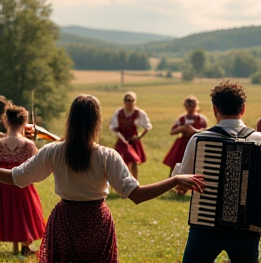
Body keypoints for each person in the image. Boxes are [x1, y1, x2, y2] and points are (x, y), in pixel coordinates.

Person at [0, 94, 205, 263]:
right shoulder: (107, 155)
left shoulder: (53, 151)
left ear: (70, 120)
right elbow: (137, 195)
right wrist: (174, 180)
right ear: (96, 122)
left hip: (64, 222)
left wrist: (175, 179)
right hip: (96, 223)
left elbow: (13, 177)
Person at [172, 81, 261, 263]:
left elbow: (181, 183)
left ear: (214, 108)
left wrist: (177, 171)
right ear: (243, 109)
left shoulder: (199, 139)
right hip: (246, 230)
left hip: (206, 227)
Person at [0, 104, 45, 256]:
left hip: (2, 187)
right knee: (23, 214)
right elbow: (36, 164)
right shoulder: (28, 144)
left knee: (6, 212)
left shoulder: (0, 143)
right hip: (22, 186)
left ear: (5, 120)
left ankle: (18, 247)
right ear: (24, 122)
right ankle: (25, 246)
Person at [109, 91, 152, 180]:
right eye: (128, 100)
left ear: (135, 101)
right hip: (122, 140)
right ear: (124, 101)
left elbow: (147, 126)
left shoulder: (139, 113)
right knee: (121, 162)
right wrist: (120, 136)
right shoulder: (119, 113)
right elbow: (113, 127)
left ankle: (134, 181)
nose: (130, 102)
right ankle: (123, 181)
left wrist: (139, 136)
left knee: (134, 161)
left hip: (133, 141)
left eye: (132, 100)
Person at [163, 95, 207, 177]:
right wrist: (182, 128)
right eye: (188, 106)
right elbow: (172, 131)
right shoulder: (182, 119)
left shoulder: (201, 119)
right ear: (185, 107)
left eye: (192, 106)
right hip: (182, 143)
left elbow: (206, 131)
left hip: (196, 142)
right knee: (176, 162)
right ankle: (171, 179)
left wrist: (195, 131)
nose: (190, 108)